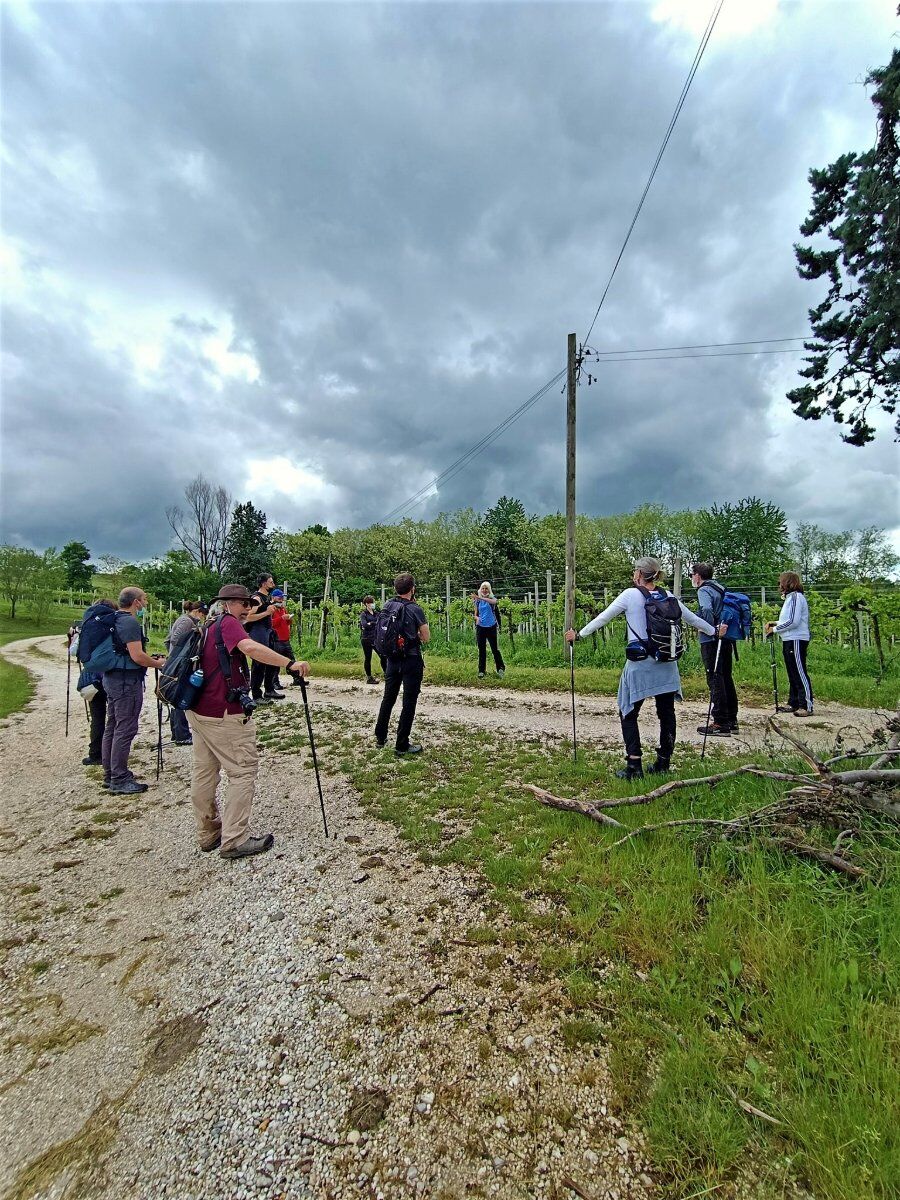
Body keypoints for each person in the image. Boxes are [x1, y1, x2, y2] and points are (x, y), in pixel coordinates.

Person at [187, 583, 310, 859]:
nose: (249, 609)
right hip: (223, 711)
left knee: (204, 771)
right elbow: (250, 647)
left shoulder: (208, 624)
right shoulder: (229, 623)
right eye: (246, 604)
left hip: (199, 708)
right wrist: (289, 663)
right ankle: (234, 838)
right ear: (231, 603)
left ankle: (208, 833)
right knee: (242, 771)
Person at [565, 558, 717, 779]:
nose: (633, 574)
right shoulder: (669, 596)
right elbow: (693, 619)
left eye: (635, 571)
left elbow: (603, 618)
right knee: (666, 713)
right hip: (667, 663)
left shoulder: (630, 595)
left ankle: (634, 766)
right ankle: (663, 762)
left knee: (628, 711)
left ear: (639, 575)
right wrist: (714, 632)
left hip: (640, 663)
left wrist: (578, 635)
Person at [101, 587, 167, 794]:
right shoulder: (129, 622)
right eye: (144, 600)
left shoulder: (114, 619)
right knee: (125, 728)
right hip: (125, 681)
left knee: (113, 725)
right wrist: (159, 664)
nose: (145, 604)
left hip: (112, 678)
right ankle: (119, 778)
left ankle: (110, 773)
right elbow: (137, 656)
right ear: (136, 602)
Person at [374, 573, 430, 756]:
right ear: (412, 588)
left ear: (396, 589)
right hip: (411, 659)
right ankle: (401, 744)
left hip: (391, 659)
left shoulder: (387, 605)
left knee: (388, 698)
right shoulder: (416, 609)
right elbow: (426, 637)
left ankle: (380, 737)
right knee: (409, 702)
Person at [690, 563, 738, 737]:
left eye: (692, 575)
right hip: (726, 639)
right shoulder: (720, 588)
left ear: (698, 576)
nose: (691, 579)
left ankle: (720, 722)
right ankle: (732, 719)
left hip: (712, 639)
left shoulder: (703, 590)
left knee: (714, 678)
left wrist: (709, 628)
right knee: (726, 677)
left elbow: (706, 608)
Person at [74, 597, 116, 766]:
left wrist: (73, 637)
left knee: (97, 717)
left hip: (92, 679)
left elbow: (74, 652)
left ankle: (95, 753)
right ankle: (112, 751)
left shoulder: (88, 627)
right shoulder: (114, 624)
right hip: (112, 676)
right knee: (115, 717)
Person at [766, 572, 813, 717]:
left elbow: (794, 621)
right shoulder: (790, 599)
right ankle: (794, 702)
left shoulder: (796, 598)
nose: (779, 585)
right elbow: (789, 619)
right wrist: (776, 623)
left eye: (781, 582)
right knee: (792, 672)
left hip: (797, 639)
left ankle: (806, 704)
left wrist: (774, 629)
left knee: (799, 671)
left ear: (787, 582)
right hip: (789, 638)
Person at [164, 601, 209, 745]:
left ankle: (177, 733)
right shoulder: (186, 621)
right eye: (203, 614)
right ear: (197, 611)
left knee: (178, 696)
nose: (203, 617)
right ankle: (181, 734)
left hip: (179, 661)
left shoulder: (186, 620)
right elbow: (174, 639)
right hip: (180, 663)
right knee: (179, 696)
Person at [245, 573, 282, 703]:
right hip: (258, 632)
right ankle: (256, 695)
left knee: (272, 659)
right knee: (259, 663)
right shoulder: (256, 598)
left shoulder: (267, 597)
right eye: (271, 582)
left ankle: (269, 689)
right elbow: (248, 617)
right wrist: (266, 612)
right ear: (264, 583)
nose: (273, 584)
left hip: (268, 631)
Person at [472, 581, 505, 678]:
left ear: (489, 590)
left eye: (486, 588)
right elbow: (475, 614)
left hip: (491, 626)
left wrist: (480, 597)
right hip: (481, 627)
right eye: (483, 588)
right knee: (481, 649)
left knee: (495, 649)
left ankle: (500, 668)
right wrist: (477, 618)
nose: (484, 590)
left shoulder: (492, 599)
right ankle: (481, 671)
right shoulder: (477, 602)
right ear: (480, 590)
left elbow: (494, 602)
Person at [269, 590, 296, 688]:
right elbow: (269, 623)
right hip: (276, 639)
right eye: (279, 597)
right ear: (273, 597)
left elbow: (286, 623)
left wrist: (288, 619)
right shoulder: (271, 609)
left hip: (285, 638)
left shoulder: (283, 608)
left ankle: (297, 678)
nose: (281, 599)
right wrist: (281, 619)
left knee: (291, 660)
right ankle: (274, 683)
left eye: (282, 597)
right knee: (276, 662)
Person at [359, 596, 382, 684]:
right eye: (370, 603)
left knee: (383, 655)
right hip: (366, 639)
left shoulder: (376, 613)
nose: (372, 604)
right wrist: (373, 623)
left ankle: (388, 674)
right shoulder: (363, 614)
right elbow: (364, 625)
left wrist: (371, 623)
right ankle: (369, 678)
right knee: (368, 658)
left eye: (372, 602)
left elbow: (380, 623)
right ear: (366, 604)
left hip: (376, 638)